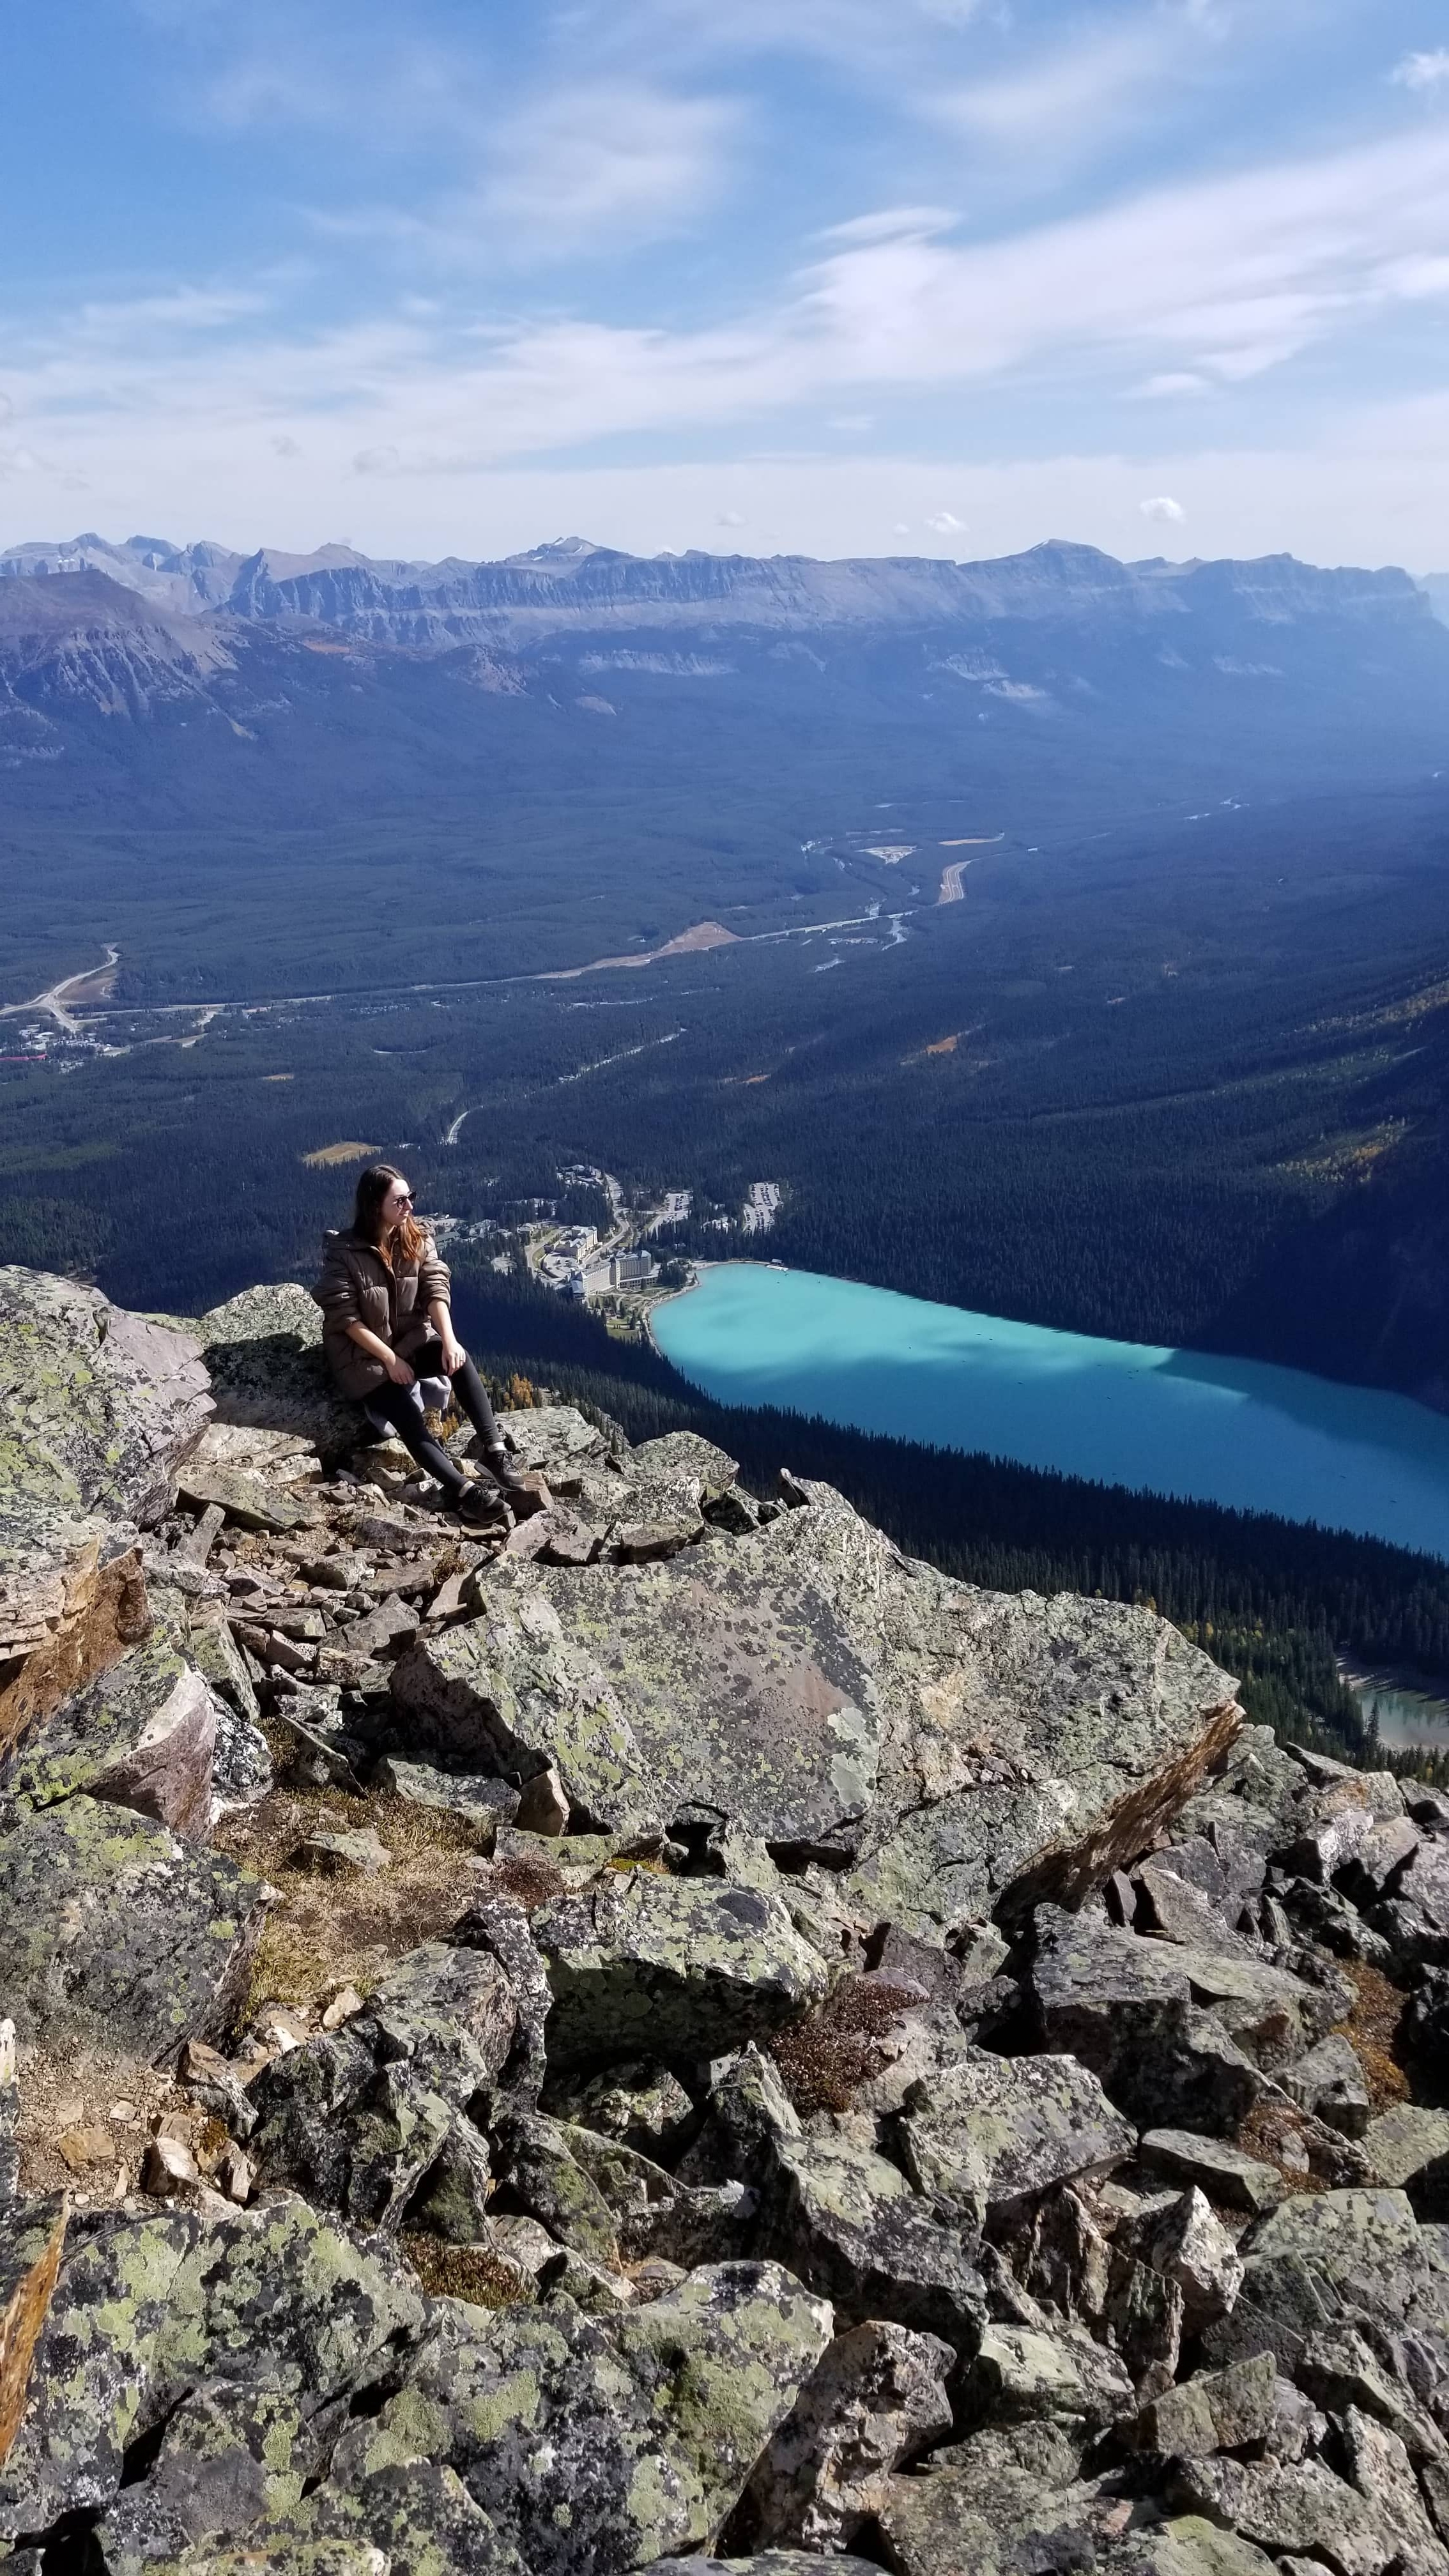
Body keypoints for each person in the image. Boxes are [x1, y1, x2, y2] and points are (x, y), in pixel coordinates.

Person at [314, 1163, 526, 1521]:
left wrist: (449, 1340)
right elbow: (345, 1319)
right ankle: (463, 1491)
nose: (409, 1206)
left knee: (459, 1360)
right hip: (362, 1357)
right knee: (406, 1415)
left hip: (409, 1342)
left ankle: (493, 1449)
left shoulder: (416, 1237)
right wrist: (390, 1360)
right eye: (399, 1200)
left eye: (410, 1197)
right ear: (374, 1206)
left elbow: (435, 1288)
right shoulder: (344, 1254)